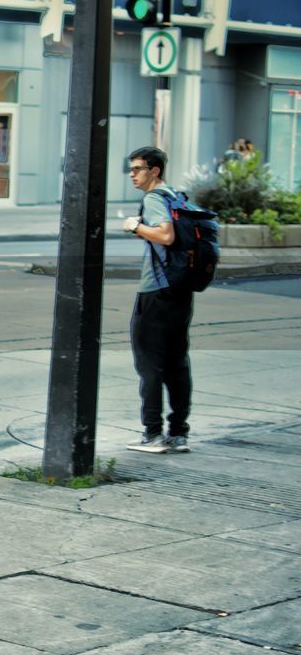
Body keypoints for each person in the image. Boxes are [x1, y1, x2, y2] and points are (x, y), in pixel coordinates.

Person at [122, 146, 193, 455]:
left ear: (154, 171)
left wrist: (135, 226)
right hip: (180, 290)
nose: (132, 175)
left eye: (137, 169)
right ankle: (178, 433)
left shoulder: (153, 198)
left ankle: (152, 434)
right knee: (177, 363)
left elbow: (165, 236)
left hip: (156, 291)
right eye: (131, 169)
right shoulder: (175, 196)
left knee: (149, 363)